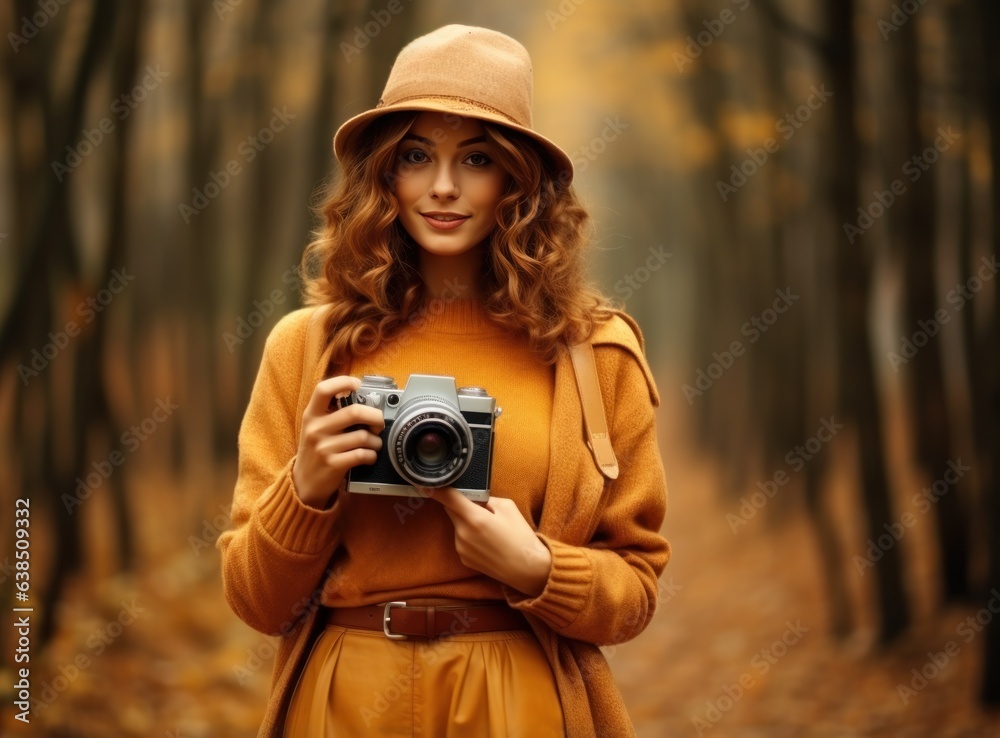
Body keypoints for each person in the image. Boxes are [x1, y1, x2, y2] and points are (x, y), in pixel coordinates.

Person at [217, 24, 670, 738]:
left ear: (519, 180)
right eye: (417, 156)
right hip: (346, 696)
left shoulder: (593, 355)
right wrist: (302, 491)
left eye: (478, 158)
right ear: (383, 174)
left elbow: (635, 592)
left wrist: (538, 568)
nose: (444, 187)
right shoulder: (307, 349)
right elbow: (256, 603)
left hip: (520, 694)